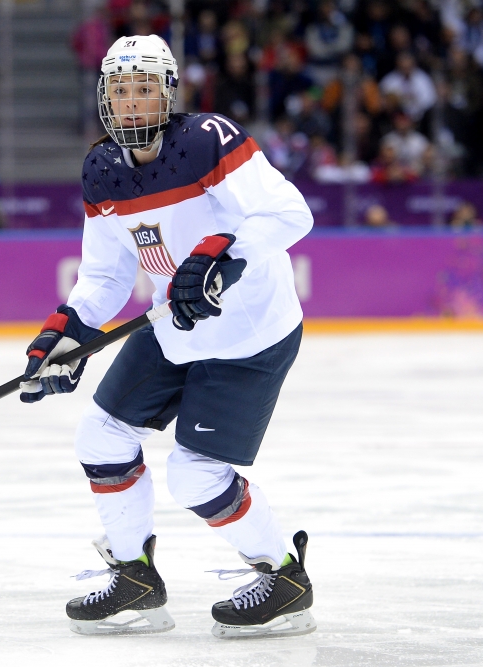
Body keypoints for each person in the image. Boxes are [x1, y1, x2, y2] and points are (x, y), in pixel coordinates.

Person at [19, 35, 315, 638]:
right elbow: (104, 275)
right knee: (99, 437)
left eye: (145, 89)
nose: (133, 103)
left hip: (248, 334)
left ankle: (283, 577)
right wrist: (67, 330)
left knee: (195, 474)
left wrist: (221, 254)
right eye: (121, 90)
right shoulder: (102, 169)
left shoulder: (209, 140)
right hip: (173, 323)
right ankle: (135, 579)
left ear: (168, 94)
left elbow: (290, 213)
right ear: (105, 97)